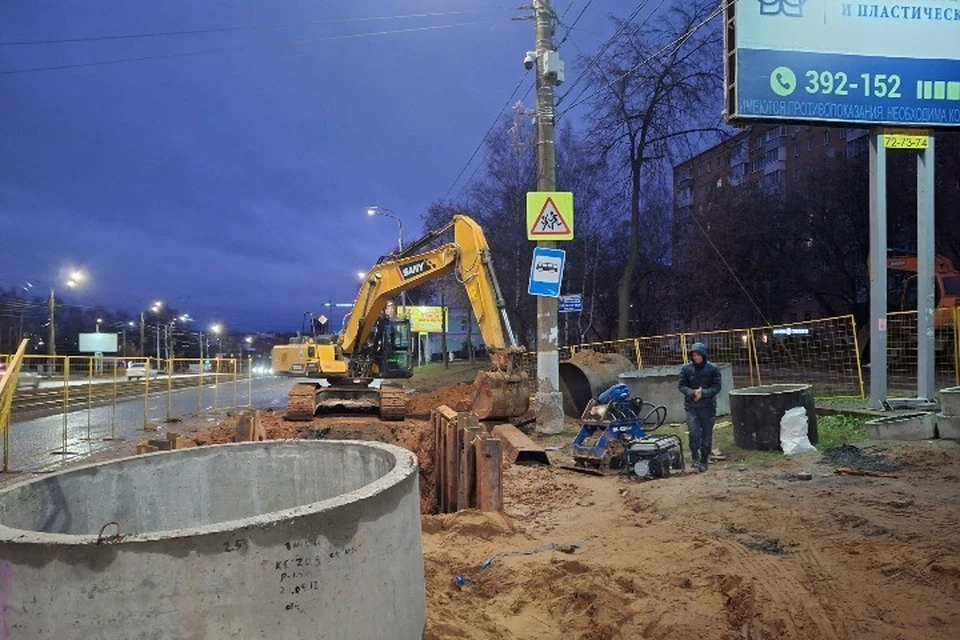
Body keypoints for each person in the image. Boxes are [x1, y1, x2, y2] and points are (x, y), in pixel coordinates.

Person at [678, 342, 722, 472]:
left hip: (708, 406)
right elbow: (681, 385)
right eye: (694, 355)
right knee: (694, 432)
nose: (695, 357)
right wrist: (692, 393)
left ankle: (704, 459)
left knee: (707, 435)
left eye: (698, 355)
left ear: (703, 355)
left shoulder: (712, 369)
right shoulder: (687, 369)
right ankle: (695, 458)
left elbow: (716, 387)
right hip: (692, 406)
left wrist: (703, 393)